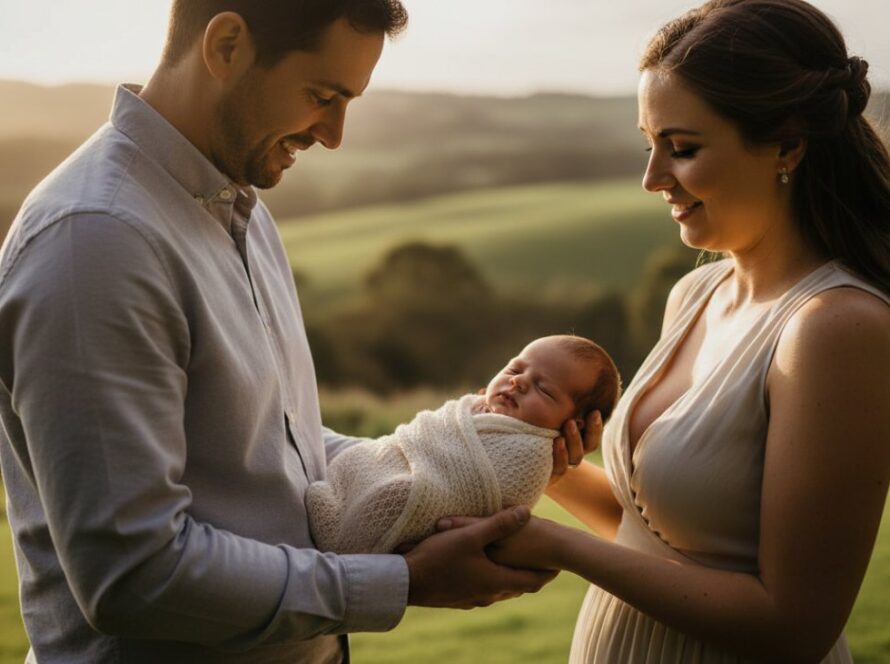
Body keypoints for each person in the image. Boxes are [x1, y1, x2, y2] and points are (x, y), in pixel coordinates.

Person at [0, 2, 600, 662]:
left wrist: (470, 457)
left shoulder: (240, 209)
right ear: (226, 46)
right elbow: (134, 576)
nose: (336, 134)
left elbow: (275, 445)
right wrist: (401, 582)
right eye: (322, 95)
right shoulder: (97, 241)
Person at [438, 1, 890, 662]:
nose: (652, 179)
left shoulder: (836, 329)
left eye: (681, 148)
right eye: (648, 145)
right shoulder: (695, 294)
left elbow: (794, 626)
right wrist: (525, 447)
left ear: (788, 144)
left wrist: (560, 546)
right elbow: (649, 535)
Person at [307, 335, 620, 554]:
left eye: (544, 389)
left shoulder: (533, 454)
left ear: (573, 427)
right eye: (515, 369)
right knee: (368, 464)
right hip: (396, 459)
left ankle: (347, 533)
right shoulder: (476, 406)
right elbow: (429, 430)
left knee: (396, 493)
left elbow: (501, 490)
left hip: (426, 491)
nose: (519, 382)